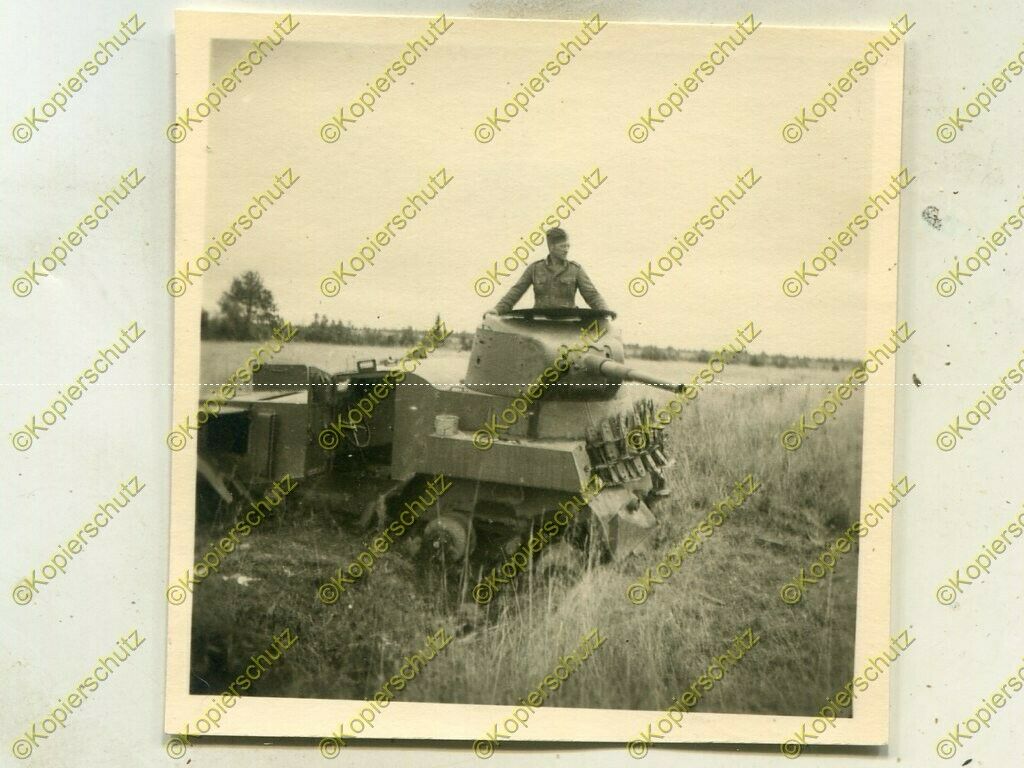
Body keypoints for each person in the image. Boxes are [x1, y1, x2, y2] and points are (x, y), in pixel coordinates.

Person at [489, 228, 610, 315]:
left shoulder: (576, 270)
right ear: (551, 247)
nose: (566, 250)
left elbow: (592, 295)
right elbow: (516, 291)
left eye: (568, 246)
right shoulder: (535, 269)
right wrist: (497, 310)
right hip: (540, 322)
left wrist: (605, 311)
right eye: (562, 246)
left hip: (569, 324)